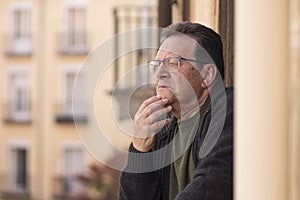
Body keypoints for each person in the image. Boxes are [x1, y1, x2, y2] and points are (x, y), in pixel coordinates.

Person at [118, 21, 233, 200]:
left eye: (173, 63)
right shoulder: (161, 130)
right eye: (156, 65)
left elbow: (212, 186)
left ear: (207, 75)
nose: (159, 74)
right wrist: (139, 151)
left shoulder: (228, 112)